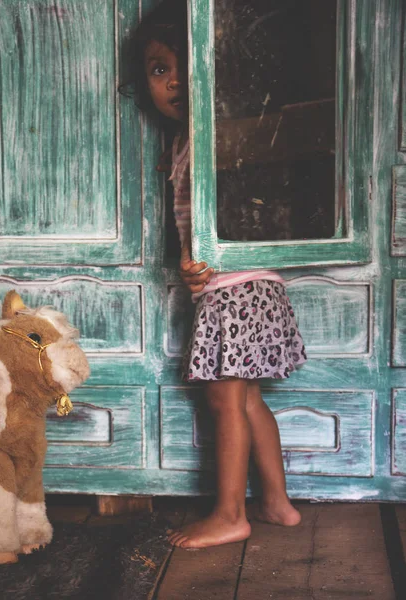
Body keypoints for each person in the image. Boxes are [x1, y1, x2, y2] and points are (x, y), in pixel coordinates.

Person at [126, 0, 307, 549]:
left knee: (225, 401)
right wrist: (192, 265)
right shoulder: (185, 141)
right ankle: (277, 504)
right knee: (247, 400)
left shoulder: (221, 133)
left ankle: (231, 513)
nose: (175, 79)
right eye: (160, 69)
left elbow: (245, 212)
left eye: (186, 63)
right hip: (248, 284)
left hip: (238, 287)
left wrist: (205, 262)